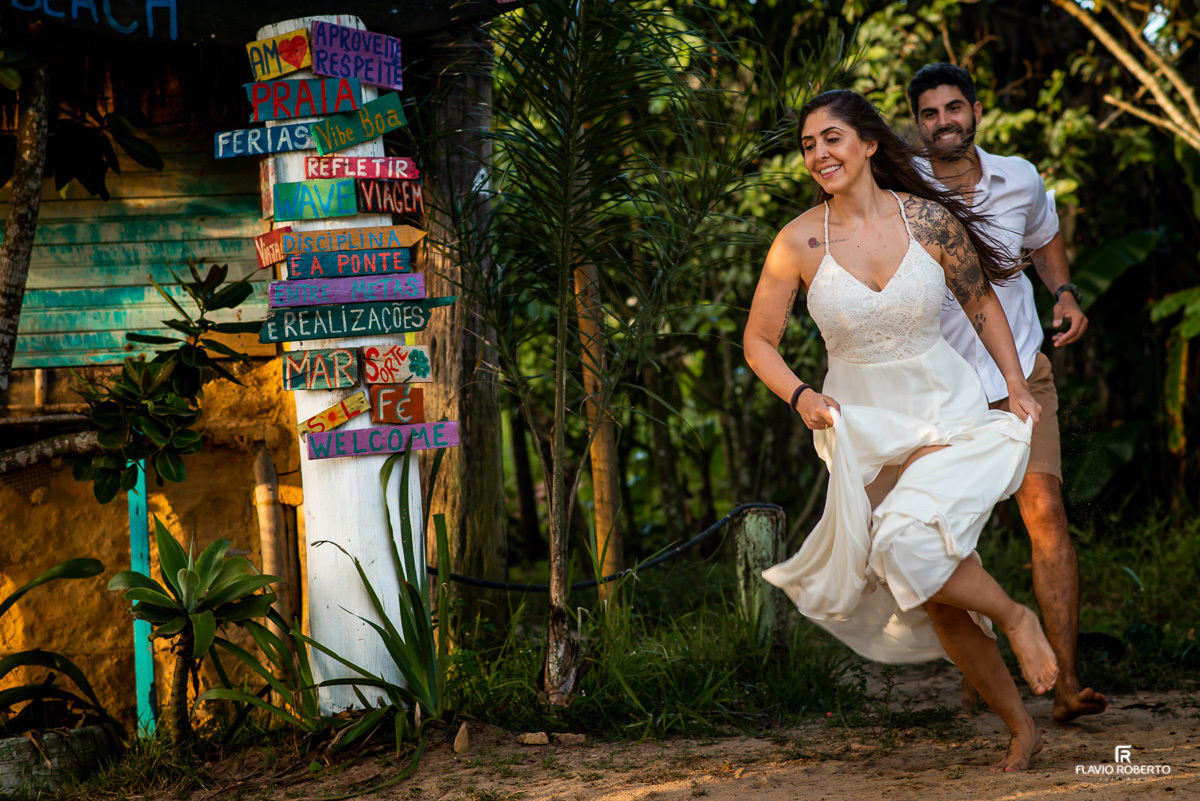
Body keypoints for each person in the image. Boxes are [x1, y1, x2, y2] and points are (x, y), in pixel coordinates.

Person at [744, 88, 1059, 772]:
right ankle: (1021, 727)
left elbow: (981, 303)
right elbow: (758, 341)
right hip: (864, 430)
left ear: (867, 144)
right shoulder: (797, 241)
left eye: (831, 138)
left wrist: (1014, 384)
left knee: (908, 545)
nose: (818, 153)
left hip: (944, 410)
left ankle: (1016, 616)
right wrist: (800, 394)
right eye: (807, 145)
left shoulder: (928, 219)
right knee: (930, 587)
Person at [906, 63, 1107, 723]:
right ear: (917, 123)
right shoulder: (901, 189)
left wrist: (1064, 292)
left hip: (1021, 371)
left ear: (976, 110)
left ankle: (1067, 683)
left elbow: (1044, 240)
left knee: (1046, 511)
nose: (944, 121)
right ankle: (984, 675)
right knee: (952, 533)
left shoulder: (1019, 176)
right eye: (930, 113)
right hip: (938, 387)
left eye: (953, 108)